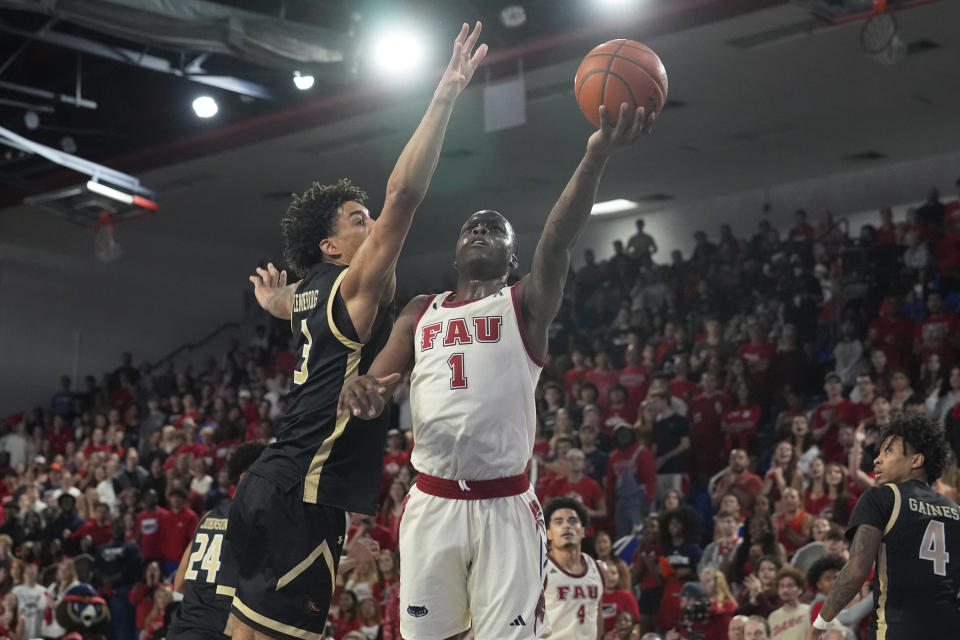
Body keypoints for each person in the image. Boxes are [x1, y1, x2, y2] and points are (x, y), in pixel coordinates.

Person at [339, 99, 656, 639]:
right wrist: (360, 389)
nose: (480, 231)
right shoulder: (422, 310)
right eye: (471, 227)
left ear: (513, 257)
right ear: (457, 250)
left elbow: (557, 241)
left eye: (495, 228)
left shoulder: (525, 304)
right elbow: (375, 384)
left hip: (504, 504)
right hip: (432, 500)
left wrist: (594, 158)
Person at [229, 22, 488, 640]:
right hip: (303, 490)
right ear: (330, 246)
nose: (370, 225)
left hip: (273, 479)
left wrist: (273, 304)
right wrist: (445, 95)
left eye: (366, 216)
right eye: (356, 220)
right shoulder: (352, 285)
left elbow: (297, 306)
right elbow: (403, 196)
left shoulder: (315, 290)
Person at [806, 414, 960, 639]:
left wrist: (820, 623)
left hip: (897, 628)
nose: (877, 460)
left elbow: (856, 571)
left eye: (888, 451)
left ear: (916, 461)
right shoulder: (955, 511)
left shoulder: (882, 497)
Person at [167, 442, 265, 640]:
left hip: (182, 628)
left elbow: (179, 584)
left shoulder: (208, 517)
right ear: (245, 478)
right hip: (217, 630)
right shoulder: (255, 521)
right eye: (266, 478)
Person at [542, 497, 603, 640]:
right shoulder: (539, 569)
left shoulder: (596, 568)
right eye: (558, 522)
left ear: (583, 531)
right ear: (548, 533)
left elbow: (598, 615)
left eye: (572, 521)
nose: (566, 526)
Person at [767, 567, 809, 640]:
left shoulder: (809, 611)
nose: (785, 590)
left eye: (790, 586)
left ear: (800, 589)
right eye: (782, 586)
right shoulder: (773, 617)